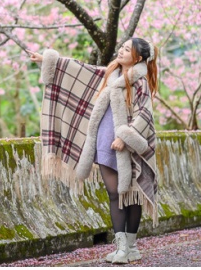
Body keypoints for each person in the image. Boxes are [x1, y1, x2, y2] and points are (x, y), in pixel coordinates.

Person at [29, 38, 160, 264]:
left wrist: (125, 138)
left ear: (138, 58)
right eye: (122, 46)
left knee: (132, 193)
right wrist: (50, 61)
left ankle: (131, 246)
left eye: (127, 49)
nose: (121, 50)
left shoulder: (140, 81)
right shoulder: (110, 74)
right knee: (115, 194)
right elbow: (81, 70)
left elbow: (146, 116)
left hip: (128, 144)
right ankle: (120, 247)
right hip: (103, 142)